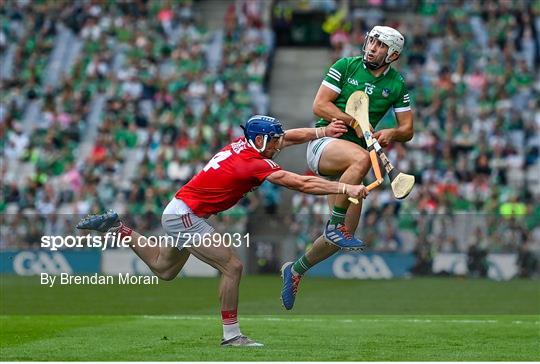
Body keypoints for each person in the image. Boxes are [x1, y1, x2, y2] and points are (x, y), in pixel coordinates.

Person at [76, 115, 369, 347]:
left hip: (180, 210)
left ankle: (117, 227)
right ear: (259, 139)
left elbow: (291, 137)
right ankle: (232, 335)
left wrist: (321, 133)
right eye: (274, 140)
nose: (279, 143)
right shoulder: (251, 164)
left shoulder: (246, 146)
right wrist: (345, 187)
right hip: (185, 215)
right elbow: (301, 184)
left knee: (163, 270)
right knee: (233, 266)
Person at [281, 25, 414, 310]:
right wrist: (353, 122)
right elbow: (320, 105)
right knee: (362, 161)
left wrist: (392, 133)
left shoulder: (397, 85)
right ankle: (334, 223)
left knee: (342, 237)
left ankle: (295, 270)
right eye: (371, 41)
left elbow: (408, 129)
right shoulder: (346, 66)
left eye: (379, 45)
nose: (371, 47)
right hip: (326, 146)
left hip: (352, 164)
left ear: (392, 55)